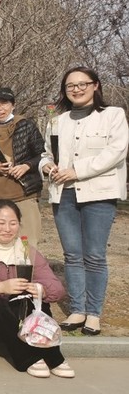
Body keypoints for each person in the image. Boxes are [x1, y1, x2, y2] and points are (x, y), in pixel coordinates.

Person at [41, 66, 129, 335]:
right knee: (72, 255)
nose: (76, 89)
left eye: (82, 84)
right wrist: (46, 166)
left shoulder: (113, 115)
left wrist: (77, 171)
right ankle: (77, 309)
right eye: (70, 86)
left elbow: (116, 151)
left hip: (98, 194)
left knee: (94, 255)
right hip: (63, 194)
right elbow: (47, 153)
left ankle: (93, 313)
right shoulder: (57, 120)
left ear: (95, 85)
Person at [0, 200, 74, 378]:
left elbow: (56, 288)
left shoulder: (27, 251)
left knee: (37, 302)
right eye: (1, 223)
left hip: (17, 317)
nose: (7, 229)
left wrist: (42, 289)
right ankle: (28, 357)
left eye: (13, 223)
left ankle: (52, 356)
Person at [0, 87, 45, 246]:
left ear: (13, 105)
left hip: (24, 195)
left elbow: (44, 155)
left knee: (27, 246)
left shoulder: (26, 126)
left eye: (4, 103)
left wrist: (27, 166)